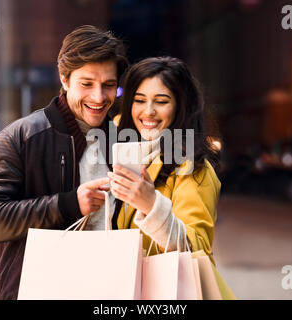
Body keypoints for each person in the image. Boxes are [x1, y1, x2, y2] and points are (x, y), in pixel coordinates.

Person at [0, 25, 128, 300]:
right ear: (64, 79)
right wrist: (67, 204)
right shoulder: (20, 136)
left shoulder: (123, 142)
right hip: (34, 291)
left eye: (109, 85)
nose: (99, 97)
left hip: (107, 290)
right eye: (86, 84)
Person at [108, 56, 236, 299]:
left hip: (170, 293)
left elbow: (197, 249)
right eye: (139, 100)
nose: (148, 112)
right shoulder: (125, 156)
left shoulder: (193, 168)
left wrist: (151, 205)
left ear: (180, 106)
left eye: (162, 101)